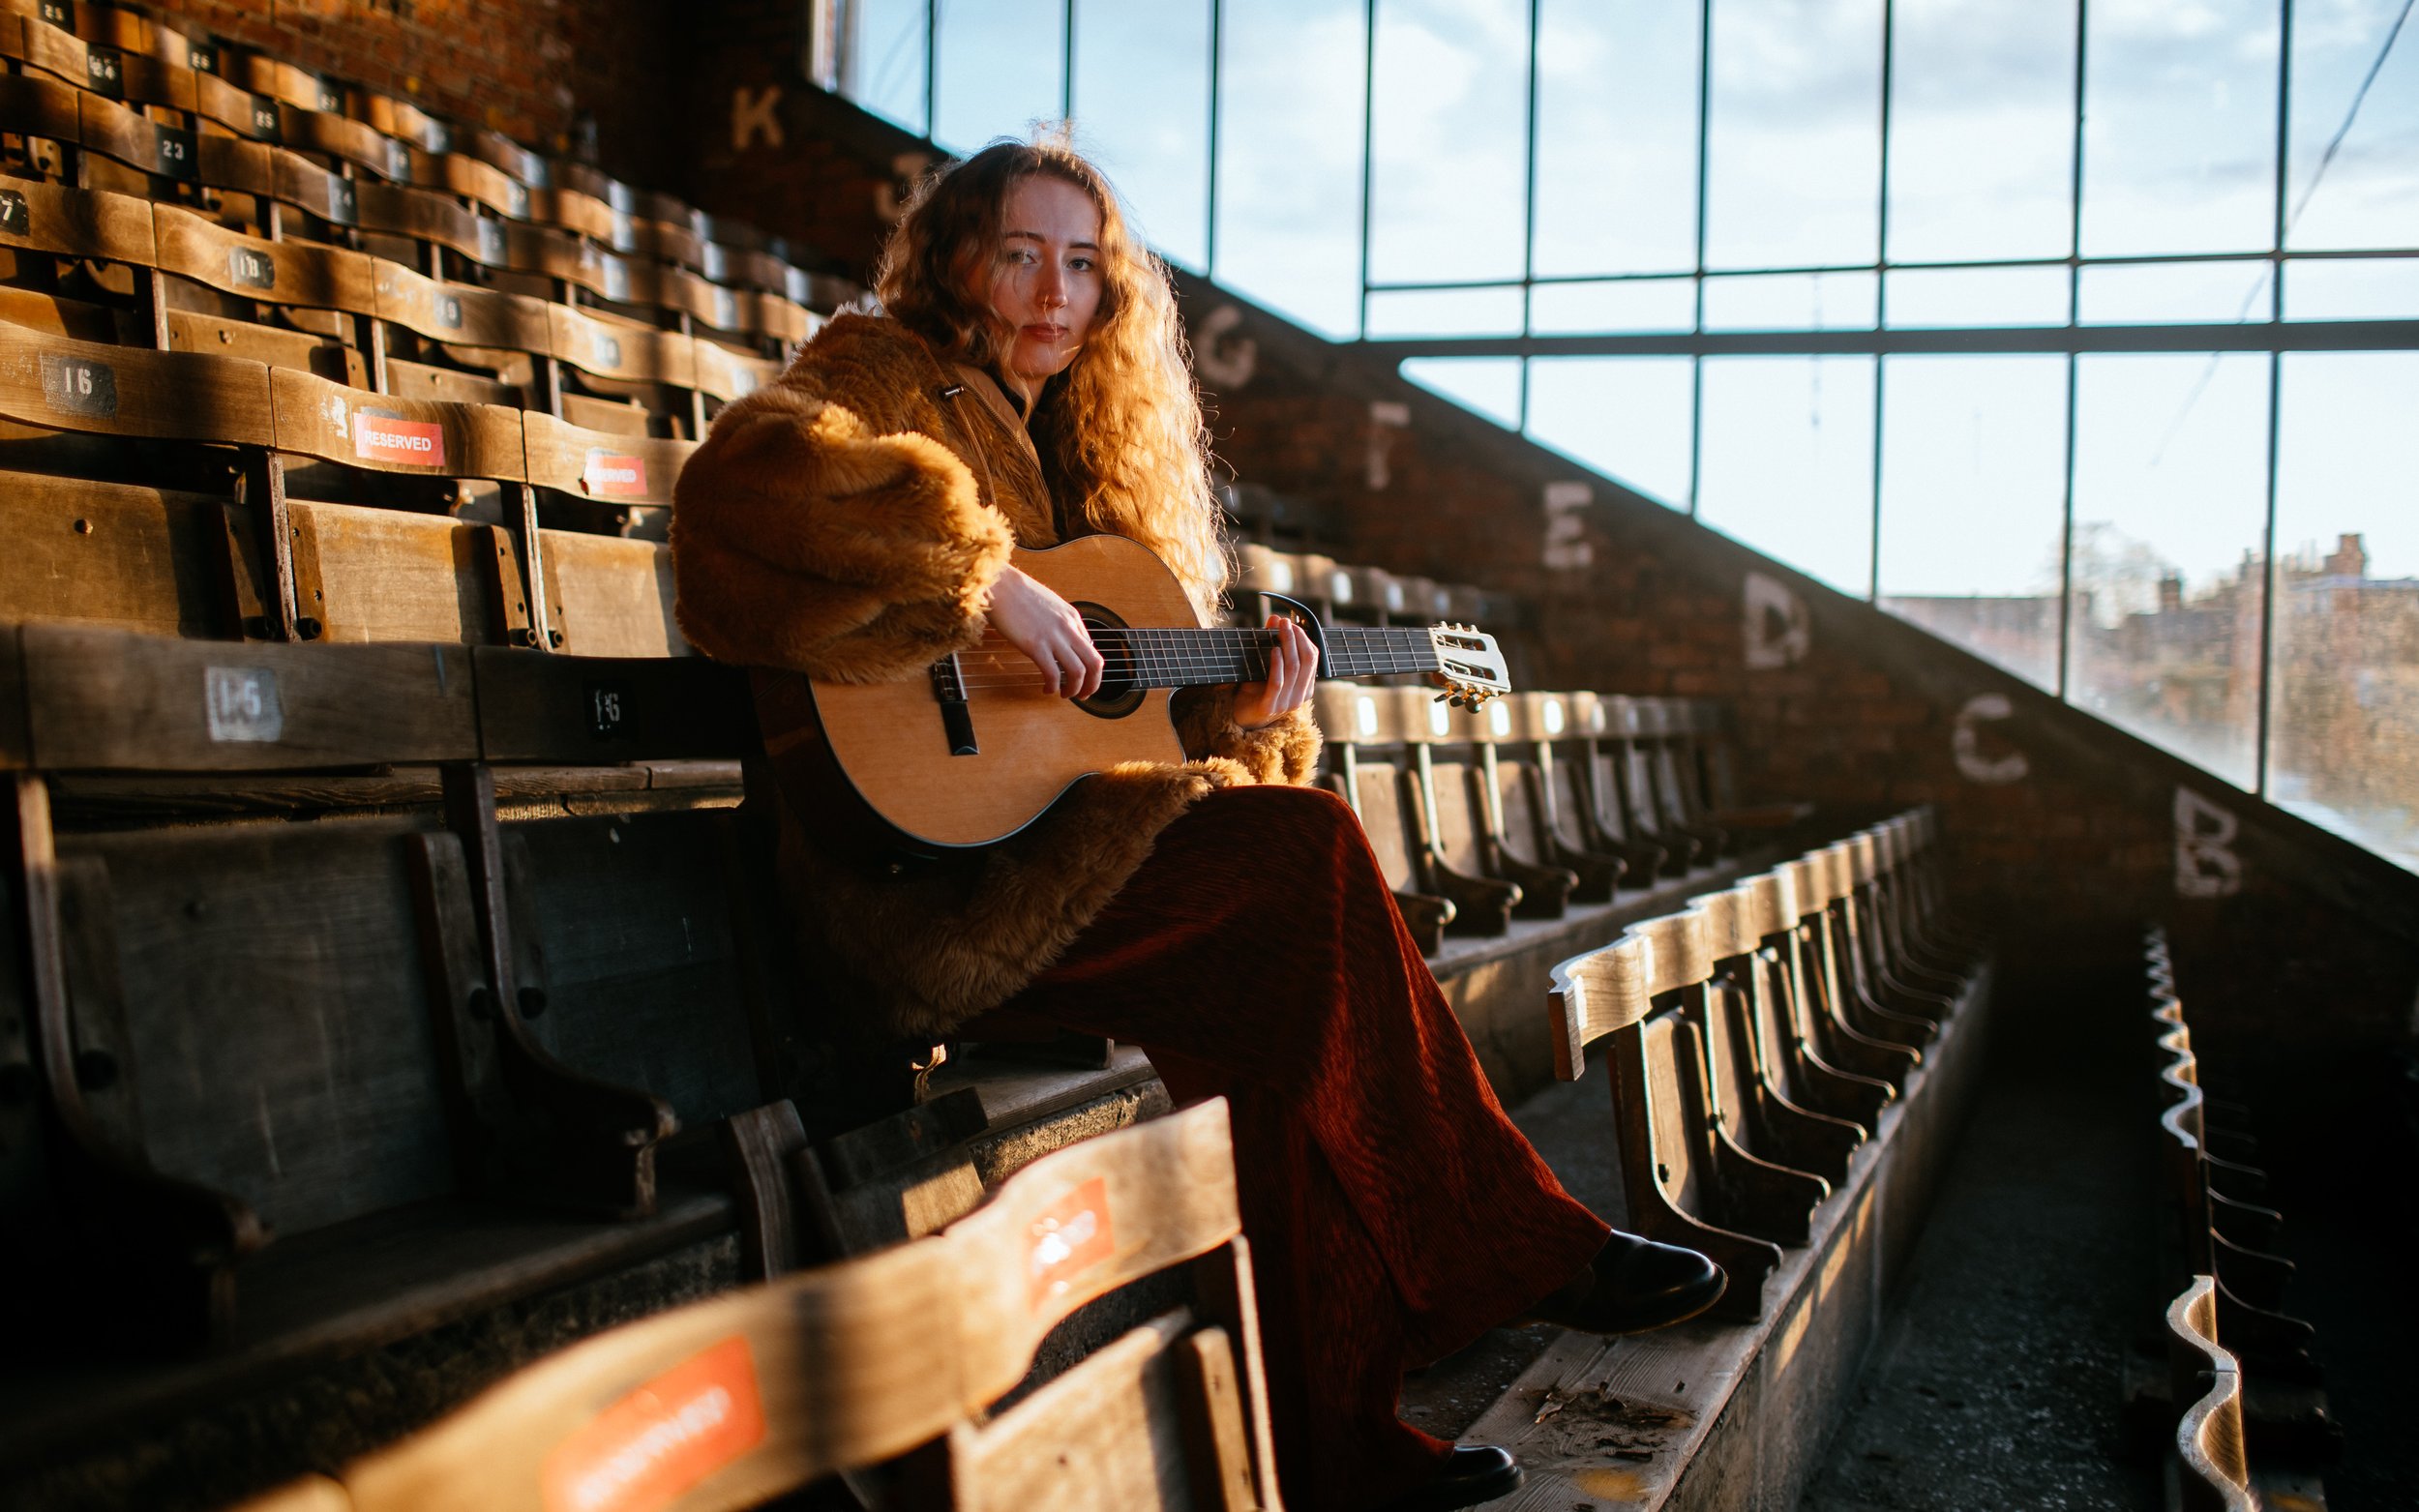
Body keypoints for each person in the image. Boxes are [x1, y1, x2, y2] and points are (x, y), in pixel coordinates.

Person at [671, 135, 1725, 1512]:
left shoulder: (1091, 456)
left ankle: (1335, 1450)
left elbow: (1103, 727)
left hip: (1046, 856)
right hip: (926, 895)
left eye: (1084, 266)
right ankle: (1511, 1247)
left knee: (1283, 1022)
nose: (1055, 293)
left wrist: (1232, 716)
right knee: (1310, 860)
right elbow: (734, 488)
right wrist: (982, 580)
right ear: (955, 261)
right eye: (1020, 254)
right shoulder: (874, 369)